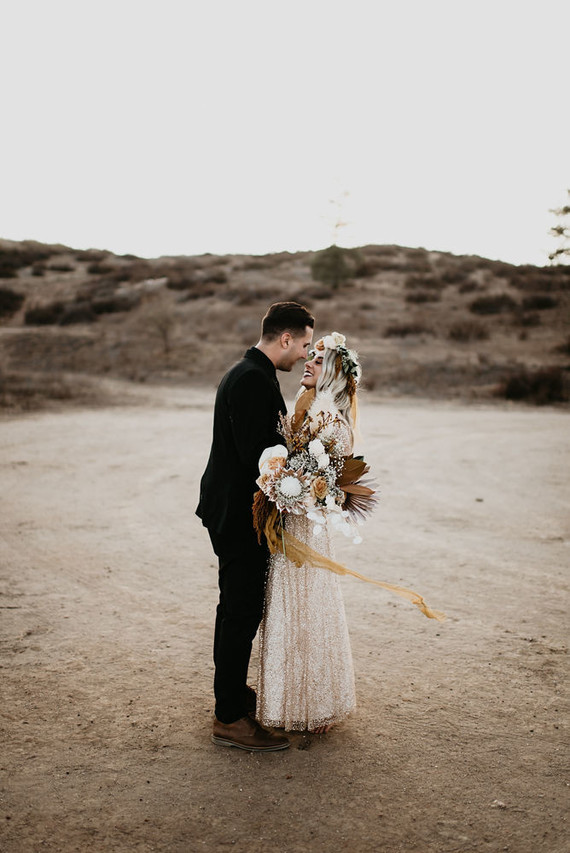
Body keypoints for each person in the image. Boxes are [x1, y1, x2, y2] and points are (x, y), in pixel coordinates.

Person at [196, 301, 314, 751]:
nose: (304, 354)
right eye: (303, 344)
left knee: (236, 607)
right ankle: (228, 717)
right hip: (237, 512)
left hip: (234, 508)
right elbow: (258, 457)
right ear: (285, 338)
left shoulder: (253, 373)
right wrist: (306, 469)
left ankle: (231, 694)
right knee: (241, 609)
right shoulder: (249, 379)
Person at [256, 332, 362, 735]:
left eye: (317, 361)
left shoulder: (332, 422)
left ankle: (315, 702)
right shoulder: (306, 409)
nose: (308, 363)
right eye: (309, 356)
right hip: (290, 524)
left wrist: (287, 486)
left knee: (309, 612)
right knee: (289, 611)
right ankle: (289, 697)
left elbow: (328, 489)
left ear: (332, 372)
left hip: (307, 530)